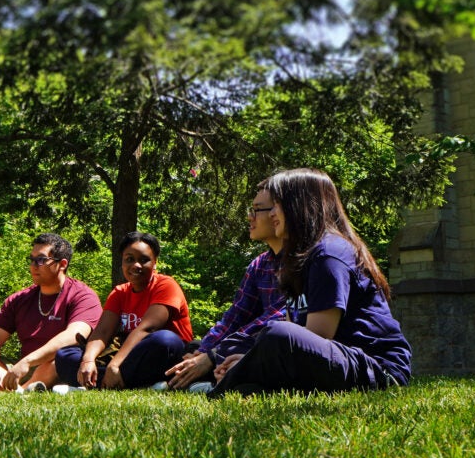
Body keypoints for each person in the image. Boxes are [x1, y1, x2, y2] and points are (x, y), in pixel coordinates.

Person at [208, 168, 412, 397]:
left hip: (377, 369)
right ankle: (242, 384)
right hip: (331, 362)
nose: (272, 212)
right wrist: (250, 358)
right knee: (248, 345)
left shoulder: (329, 255)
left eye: (277, 204)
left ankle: (220, 390)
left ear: (300, 205)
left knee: (277, 335)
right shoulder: (297, 259)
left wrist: (254, 362)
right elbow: (297, 330)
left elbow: (316, 337)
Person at [167, 180, 289, 390]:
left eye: (258, 210)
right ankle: (197, 375)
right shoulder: (259, 264)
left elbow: (275, 319)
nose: (250, 217)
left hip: (273, 344)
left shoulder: (303, 262)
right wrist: (204, 351)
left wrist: (214, 355)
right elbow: (235, 315)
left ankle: (213, 378)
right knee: (193, 346)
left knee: (259, 340)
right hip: (247, 341)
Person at [55, 232, 193, 390]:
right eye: (129, 259)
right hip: (128, 358)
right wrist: (88, 360)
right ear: (122, 263)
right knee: (64, 356)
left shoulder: (166, 285)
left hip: (162, 356)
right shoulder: (119, 292)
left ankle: (98, 382)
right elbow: (103, 332)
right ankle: (133, 383)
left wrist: (114, 365)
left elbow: (149, 328)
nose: (136, 265)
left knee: (165, 340)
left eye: (144, 260)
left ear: (155, 263)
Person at [0, 233, 101, 392]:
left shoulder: (83, 296)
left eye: (41, 260)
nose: (34, 266)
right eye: (32, 260)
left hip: (55, 367)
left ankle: (15, 392)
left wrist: (28, 361)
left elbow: (74, 335)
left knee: (58, 360)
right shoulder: (19, 299)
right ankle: (20, 391)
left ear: (62, 264)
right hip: (22, 371)